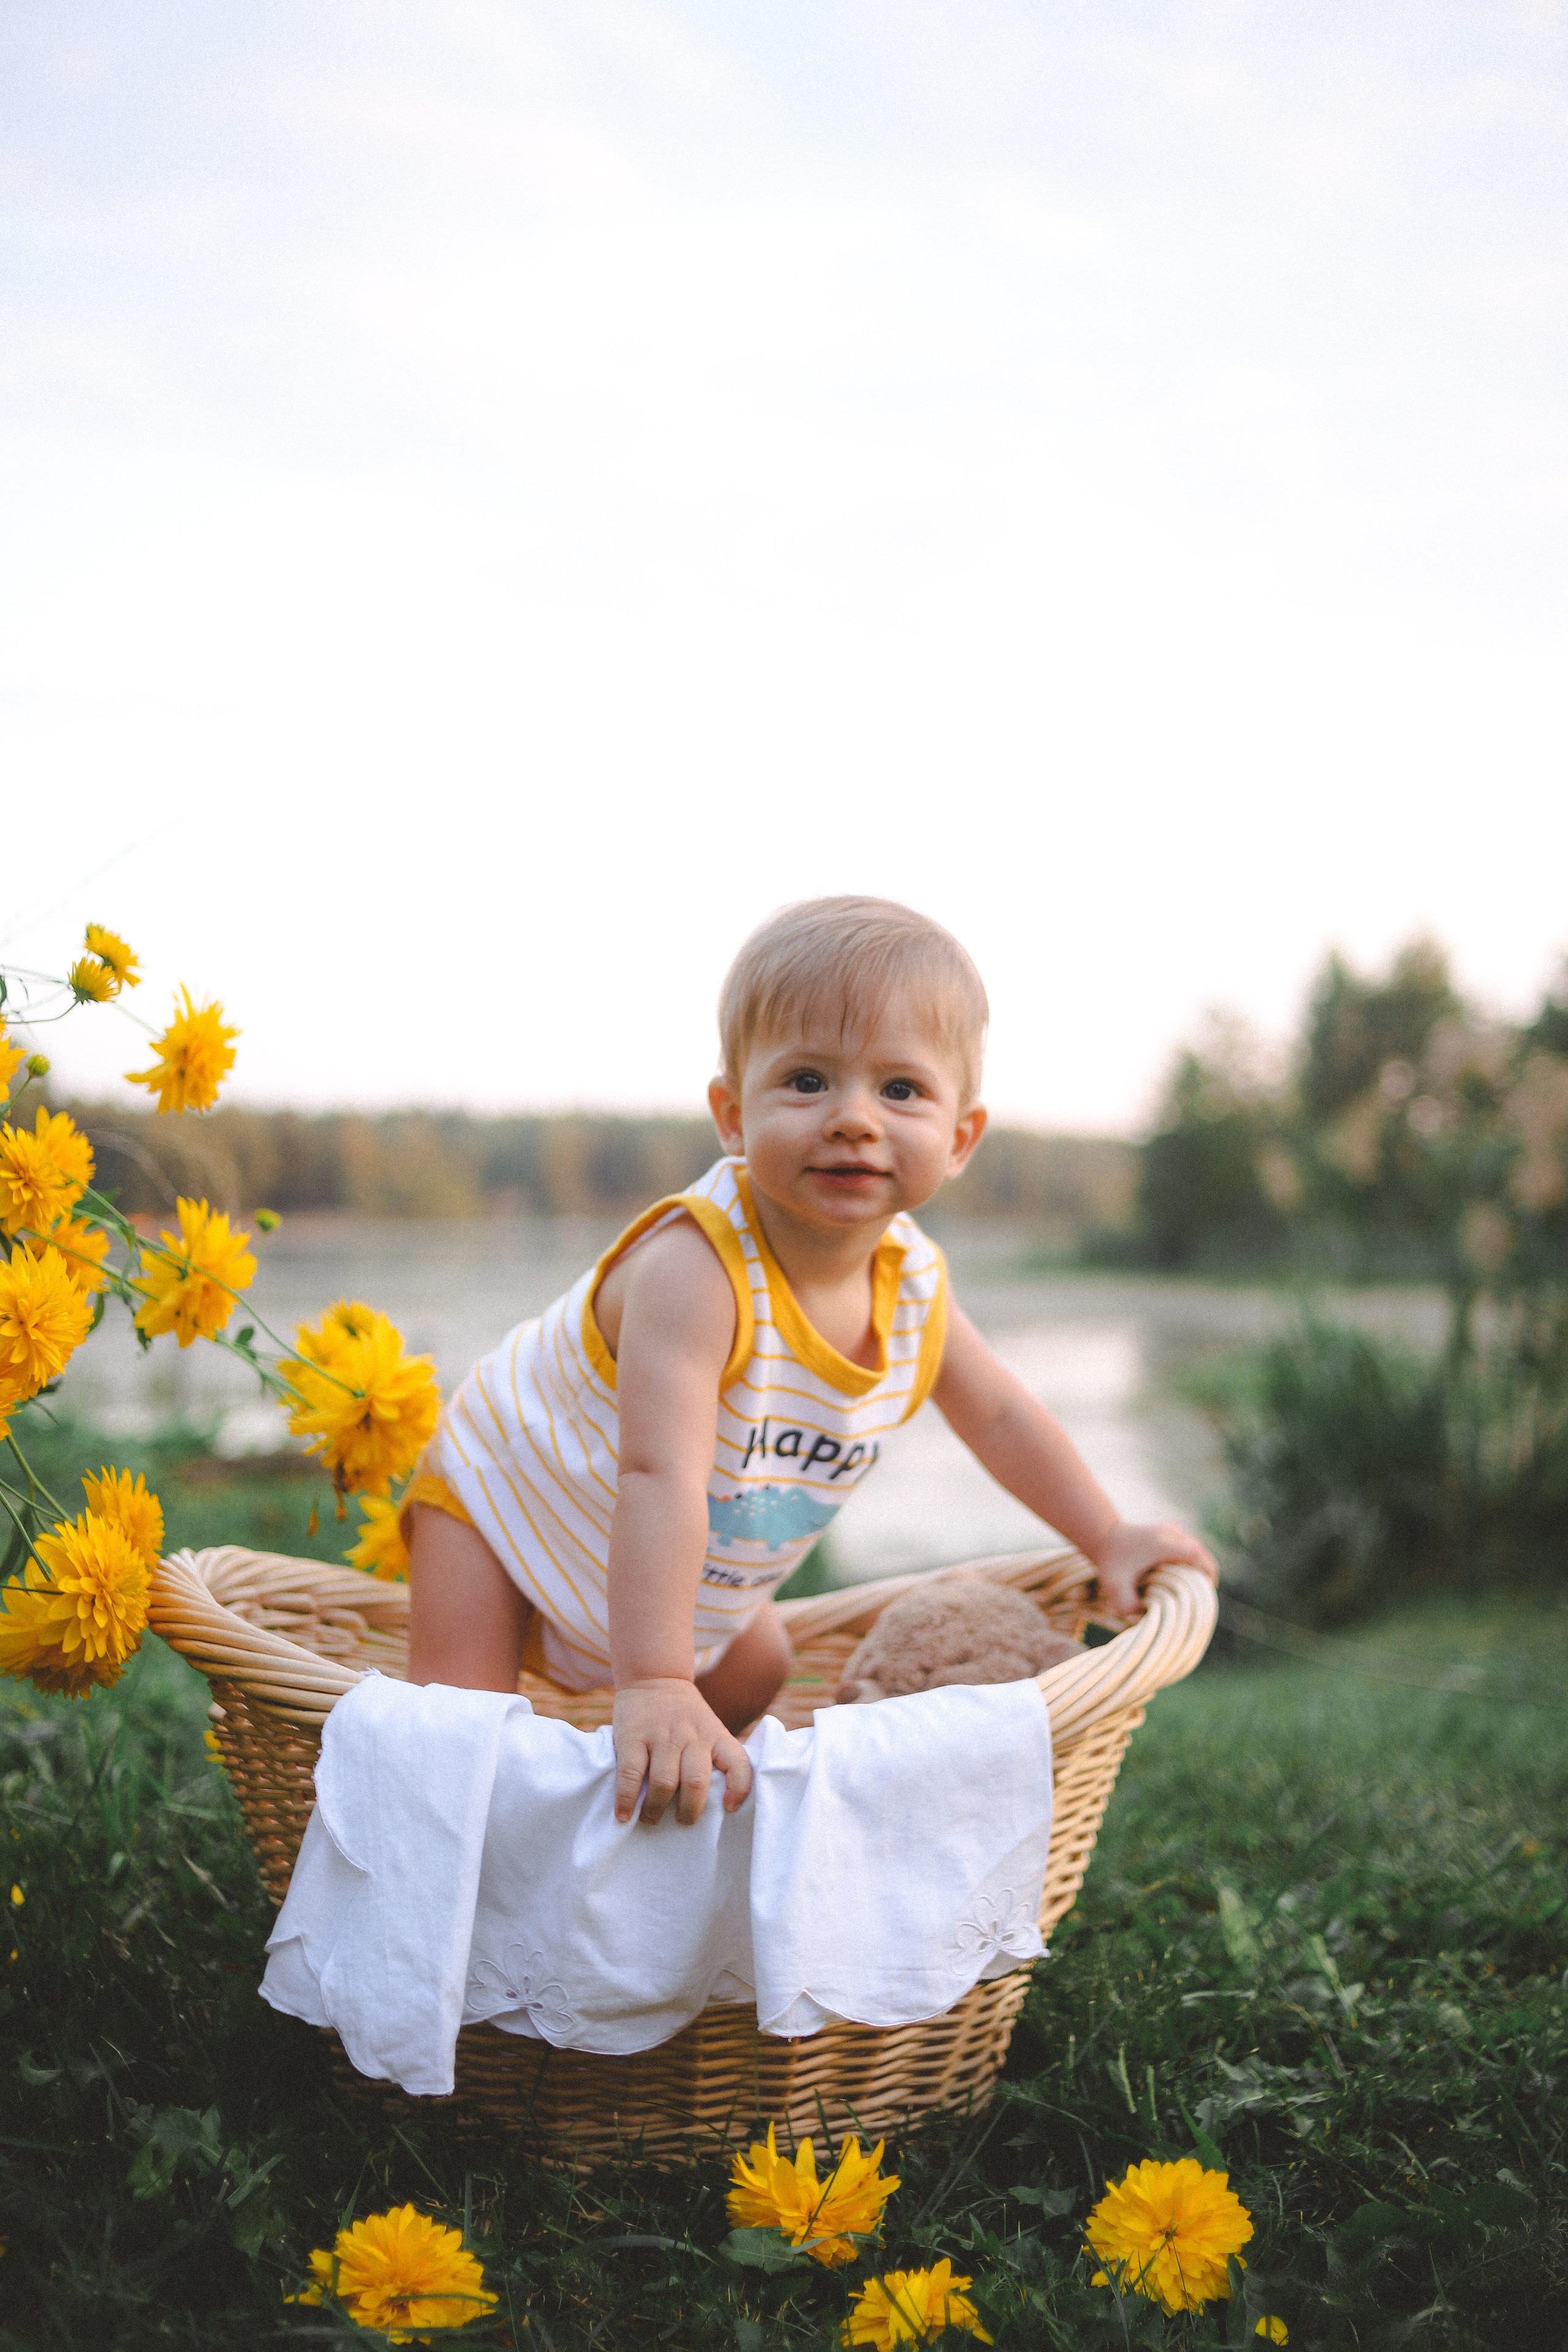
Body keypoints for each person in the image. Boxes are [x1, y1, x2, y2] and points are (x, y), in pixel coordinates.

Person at [404, 896, 1217, 1831]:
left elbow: (998, 1416)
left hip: (684, 1563)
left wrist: (1106, 1535)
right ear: (732, 1116)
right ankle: (507, 1850)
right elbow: (657, 1472)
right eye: (806, 1082)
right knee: (455, 1748)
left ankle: (670, 1828)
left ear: (959, 1138)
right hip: (514, 1503)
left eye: (901, 1090)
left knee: (762, 1669)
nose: (852, 1120)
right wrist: (658, 1680)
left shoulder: (913, 1284)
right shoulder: (696, 1270)